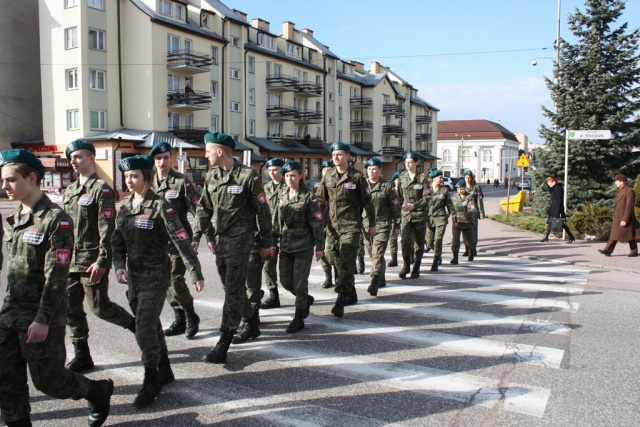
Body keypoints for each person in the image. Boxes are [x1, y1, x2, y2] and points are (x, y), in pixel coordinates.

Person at [0, 149, 113, 427]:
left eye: (11, 180)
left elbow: (57, 276)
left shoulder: (55, 219)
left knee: (49, 381)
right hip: (10, 314)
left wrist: (42, 319)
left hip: (41, 315)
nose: (5, 186)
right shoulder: (16, 217)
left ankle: (96, 391)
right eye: (3, 180)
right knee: (6, 378)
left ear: (32, 178)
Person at [112, 155, 205, 408]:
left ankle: (151, 378)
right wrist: (119, 266)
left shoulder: (161, 206)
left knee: (143, 327)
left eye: (135, 176)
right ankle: (165, 370)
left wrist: (194, 272)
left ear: (147, 177)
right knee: (151, 325)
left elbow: (180, 240)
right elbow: (117, 241)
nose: (129, 181)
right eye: (126, 176)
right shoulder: (125, 206)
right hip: (134, 277)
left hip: (156, 275)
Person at [192, 132, 274, 362]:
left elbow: (262, 211)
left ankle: (223, 342)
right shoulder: (212, 175)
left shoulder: (248, 176)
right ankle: (251, 321)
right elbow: (204, 208)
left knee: (232, 291)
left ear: (220, 151)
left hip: (241, 242)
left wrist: (266, 242)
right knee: (234, 289)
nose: (205, 155)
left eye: (208, 150)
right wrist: (196, 235)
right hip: (221, 242)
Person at [63, 140, 135, 373]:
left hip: (91, 260)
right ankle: (82, 354)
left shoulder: (101, 189)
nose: (74, 161)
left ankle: (138, 327)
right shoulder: (70, 191)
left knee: (99, 307)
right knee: (69, 307)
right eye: (71, 158)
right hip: (70, 261)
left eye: (78, 156)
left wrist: (103, 261)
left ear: (91, 158)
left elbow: (107, 229)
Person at [150, 141, 204, 340]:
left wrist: (197, 237)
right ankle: (179, 317)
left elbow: (198, 211)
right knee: (164, 282)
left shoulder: (182, 182)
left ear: (171, 158)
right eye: (158, 158)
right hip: (157, 244)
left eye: (165, 157)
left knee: (175, 280)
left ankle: (190, 314)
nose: (162, 162)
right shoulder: (148, 183)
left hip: (179, 242)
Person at [315, 142, 376, 317]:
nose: (336, 157)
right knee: (333, 258)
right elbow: (321, 202)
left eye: (340, 154)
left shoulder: (357, 177)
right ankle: (352, 291)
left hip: (351, 226)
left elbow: (368, 203)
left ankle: (340, 300)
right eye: (334, 154)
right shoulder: (328, 176)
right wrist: (317, 224)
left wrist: (372, 224)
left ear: (348, 156)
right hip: (332, 228)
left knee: (346, 261)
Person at [273, 161, 324, 332]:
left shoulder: (309, 196)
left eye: (293, 175)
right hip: (286, 243)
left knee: (300, 282)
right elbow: (276, 220)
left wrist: (319, 246)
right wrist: (272, 242)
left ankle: (299, 316)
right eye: (287, 176)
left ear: (300, 176)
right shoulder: (281, 194)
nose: (289, 178)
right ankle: (305, 299)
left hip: (303, 244)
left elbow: (317, 222)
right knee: (285, 281)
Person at [363, 158, 401, 295]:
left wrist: (397, 225)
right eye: (369, 169)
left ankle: (374, 281)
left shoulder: (387, 186)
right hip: (366, 225)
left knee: (378, 253)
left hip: (382, 224)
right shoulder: (363, 186)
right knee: (373, 254)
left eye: (374, 169)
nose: (371, 172)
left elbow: (395, 207)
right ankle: (382, 278)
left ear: (380, 170)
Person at [397, 152, 429, 279]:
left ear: (416, 163)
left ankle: (416, 267)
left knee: (419, 244)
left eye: (410, 162)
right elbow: (398, 196)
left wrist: (414, 206)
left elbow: (427, 197)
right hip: (406, 215)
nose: (408, 165)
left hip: (419, 215)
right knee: (405, 241)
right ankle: (406, 265)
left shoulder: (423, 178)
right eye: (406, 162)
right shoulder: (402, 178)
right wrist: (400, 208)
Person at [260, 158, 285, 309]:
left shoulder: (289, 186)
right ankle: (273, 296)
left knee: (287, 268)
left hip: (286, 233)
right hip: (270, 232)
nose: (272, 173)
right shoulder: (266, 187)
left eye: (275, 170)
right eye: (270, 170)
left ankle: (301, 294)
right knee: (268, 265)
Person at [598, 174, 638, 257]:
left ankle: (634, 251)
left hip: (625, 216)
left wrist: (625, 219)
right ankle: (608, 250)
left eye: (616, 181)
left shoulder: (629, 191)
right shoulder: (619, 191)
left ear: (622, 182)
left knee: (629, 235)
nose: (615, 183)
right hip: (618, 216)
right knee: (615, 234)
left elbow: (629, 207)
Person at [425, 168, 454, 271]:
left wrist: (449, 216)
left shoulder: (444, 190)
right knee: (429, 242)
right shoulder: (427, 189)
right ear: (434, 178)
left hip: (440, 218)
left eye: (442, 177)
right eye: (440, 177)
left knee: (438, 240)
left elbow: (450, 205)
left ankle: (435, 261)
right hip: (429, 218)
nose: (442, 179)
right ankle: (438, 254)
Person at [316, 160, 339, 288]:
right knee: (322, 252)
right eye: (324, 170)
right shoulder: (315, 189)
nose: (327, 172)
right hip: (319, 225)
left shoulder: (336, 187)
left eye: (329, 170)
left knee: (332, 251)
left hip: (333, 225)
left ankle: (337, 274)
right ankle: (328, 277)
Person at [539, 176, 576, 243]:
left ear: (553, 182)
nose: (549, 185)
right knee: (550, 222)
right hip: (554, 208)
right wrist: (545, 183)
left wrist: (558, 211)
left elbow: (559, 199)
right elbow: (550, 191)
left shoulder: (558, 188)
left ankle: (571, 236)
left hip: (557, 208)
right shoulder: (554, 188)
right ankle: (546, 237)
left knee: (561, 223)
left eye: (550, 184)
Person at [450, 180, 475, 264]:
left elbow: (472, 208)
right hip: (457, 221)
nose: (459, 191)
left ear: (464, 188)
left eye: (461, 189)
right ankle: (455, 257)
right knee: (455, 240)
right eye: (458, 189)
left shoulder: (469, 196)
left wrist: (466, 216)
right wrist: (455, 218)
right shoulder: (455, 197)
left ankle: (471, 251)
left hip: (467, 221)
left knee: (469, 240)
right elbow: (453, 208)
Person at [463, 170, 486, 257]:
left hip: (473, 212)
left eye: (469, 178)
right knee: (464, 231)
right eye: (466, 178)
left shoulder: (476, 187)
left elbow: (479, 201)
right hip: (464, 212)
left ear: (472, 178)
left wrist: (481, 212)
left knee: (473, 231)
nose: (467, 179)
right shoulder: (462, 187)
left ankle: (473, 249)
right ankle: (467, 248)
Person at [387, 171, 401, 267]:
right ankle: (394, 258)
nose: (399, 181)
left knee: (407, 238)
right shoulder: (391, 189)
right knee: (393, 238)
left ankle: (410, 254)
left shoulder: (405, 189)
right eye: (397, 179)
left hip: (406, 215)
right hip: (394, 216)